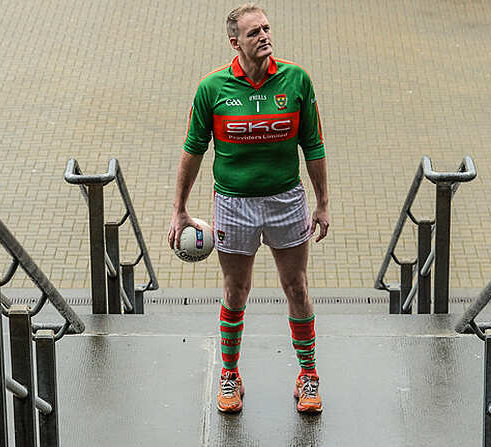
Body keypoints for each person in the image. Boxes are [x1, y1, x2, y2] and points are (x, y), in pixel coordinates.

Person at [168, 3, 329, 414]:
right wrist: (179, 210)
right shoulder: (212, 89)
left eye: (267, 28)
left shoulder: (296, 80)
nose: (264, 36)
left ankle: (308, 374)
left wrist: (322, 202)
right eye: (254, 32)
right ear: (234, 41)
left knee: (297, 287)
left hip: (286, 201)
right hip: (233, 206)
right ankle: (230, 374)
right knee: (235, 291)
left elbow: (313, 145)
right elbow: (193, 150)